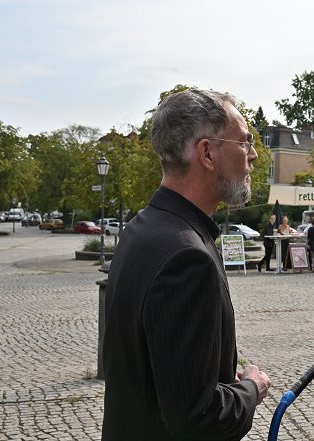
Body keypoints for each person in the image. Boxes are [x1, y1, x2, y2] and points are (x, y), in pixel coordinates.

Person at [102, 89, 271, 440]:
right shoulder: (188, 257)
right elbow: (197, 417)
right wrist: (251, 389)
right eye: (244, 142)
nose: (253, 155)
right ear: (207, 153)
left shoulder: (140, 229)